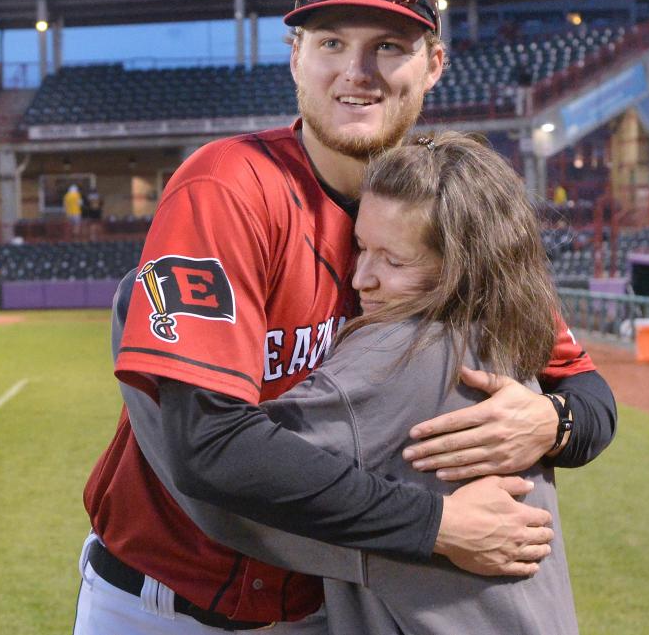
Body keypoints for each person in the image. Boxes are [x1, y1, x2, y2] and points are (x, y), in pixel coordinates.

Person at [75, 0, 616, 634]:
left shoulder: (449, 209)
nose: (357, 72)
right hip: (169, 606)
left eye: (389, 45)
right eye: (330, 42)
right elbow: (207, 445)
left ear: (435, 65)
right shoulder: (227, 188)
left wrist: (550, 422)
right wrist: (436, 522)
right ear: (295, 54)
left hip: (326, 610)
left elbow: (590, 395)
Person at [123, 132, 587, 634]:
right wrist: (557, 418)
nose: (361, 278)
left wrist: (136, 315)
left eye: (394, 261)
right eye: (361, 248)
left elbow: (218, 471)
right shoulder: (507, 333)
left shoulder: (398, 354)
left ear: (462, 266)